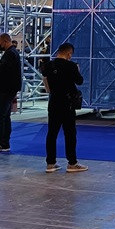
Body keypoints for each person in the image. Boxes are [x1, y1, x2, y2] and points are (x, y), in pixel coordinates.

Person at [41, 42, 88, 173]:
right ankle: (72, 163)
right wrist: (77, 70)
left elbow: (46, 82)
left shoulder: (48, 65)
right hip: (67, 103)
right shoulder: (71, 66)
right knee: (70, 133)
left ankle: (50, 163)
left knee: (52, 133)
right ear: (69, 53)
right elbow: (79, 81)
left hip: (53, 102)